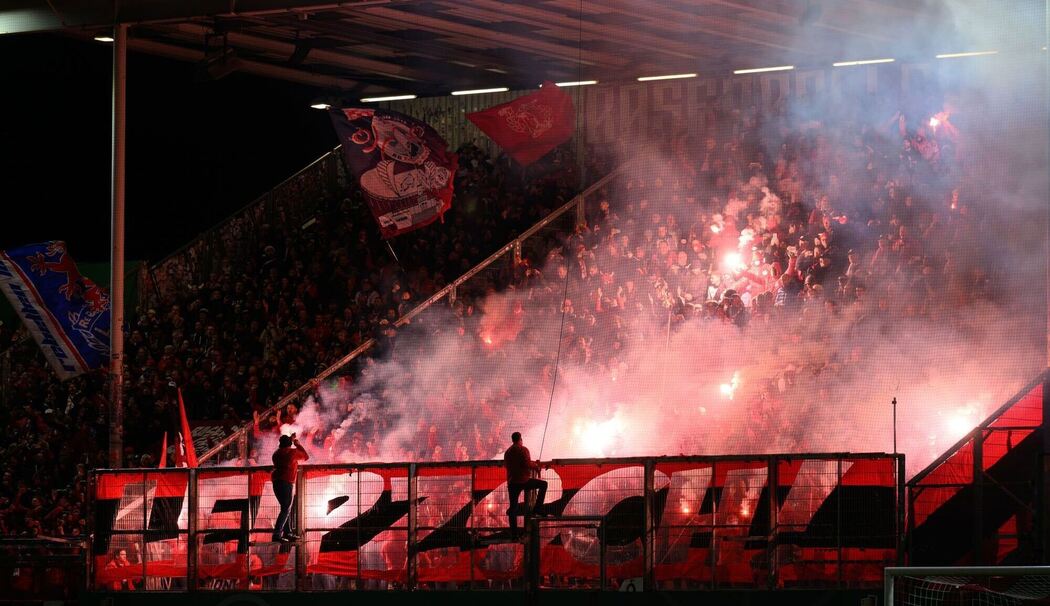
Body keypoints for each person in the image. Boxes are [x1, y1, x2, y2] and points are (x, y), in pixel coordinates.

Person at [503, 432, 547, 537]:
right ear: (520, 439)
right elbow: (527, 464)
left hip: (512, 482)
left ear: (512, 440)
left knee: (513, 508)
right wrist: (536, 466)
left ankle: (514, 534)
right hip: (523, 480)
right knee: (543, 485)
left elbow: (507, 465)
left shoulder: (507, 452)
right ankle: (538, 508)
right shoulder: (523, 450)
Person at [272, 434, 309, 543]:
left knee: (285, 508)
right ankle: (277, 534)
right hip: (287, 482)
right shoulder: (292, 452)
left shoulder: (276, 453)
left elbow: (285, 449)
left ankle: (287, 532)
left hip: (276, 482)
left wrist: (290, 440)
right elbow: (306, 456)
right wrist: (297, 444)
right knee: (286, 509)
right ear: (289, 444)